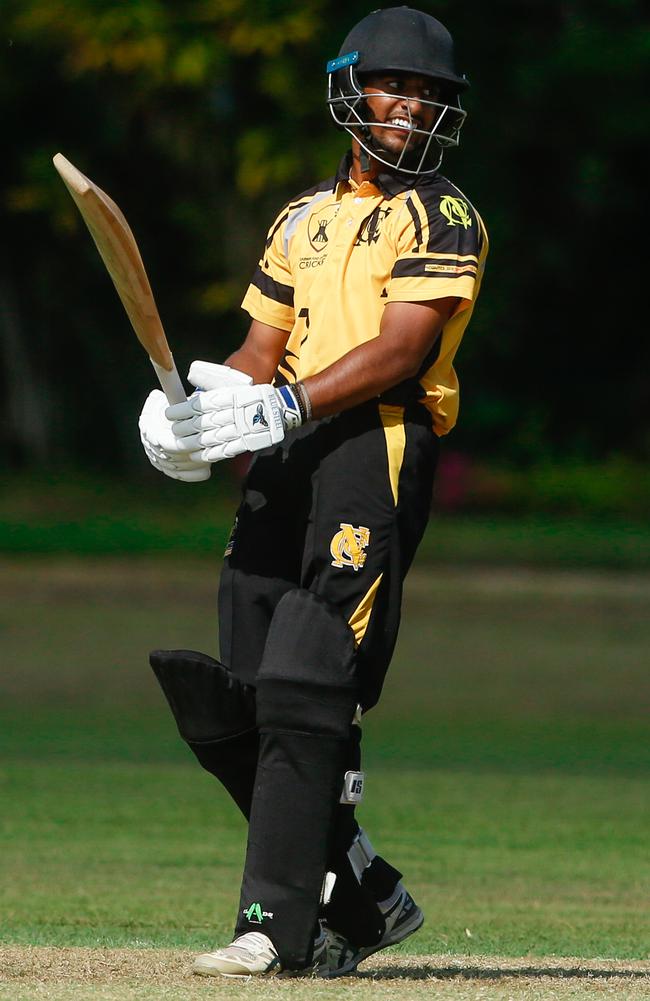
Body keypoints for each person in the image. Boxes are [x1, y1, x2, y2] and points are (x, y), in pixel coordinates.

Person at [138, 5, 488, 979]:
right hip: (286, 454)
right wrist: (191, 421)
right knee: (242, 693)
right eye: (394, 87)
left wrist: (283, 406)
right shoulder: (300, 217)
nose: (410, 108)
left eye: (428, 96)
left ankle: (272, 922)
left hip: (369, 449)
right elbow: (259, 349)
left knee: (307, 680)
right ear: (349, 89)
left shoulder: (441, 213)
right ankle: (364, 887)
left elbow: (399, 347)